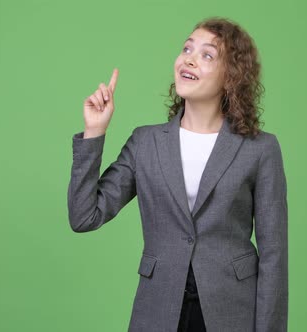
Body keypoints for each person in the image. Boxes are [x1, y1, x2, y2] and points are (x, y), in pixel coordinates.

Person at [68, 17, 288, 332]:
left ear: (231, 76)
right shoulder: (146, 142)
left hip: (232, 311)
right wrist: (94, 133)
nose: (189, 58)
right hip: (158, 310)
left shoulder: (260, 149)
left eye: (207, 55)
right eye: (187, 48)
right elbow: (84, 216)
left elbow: (274, 257)